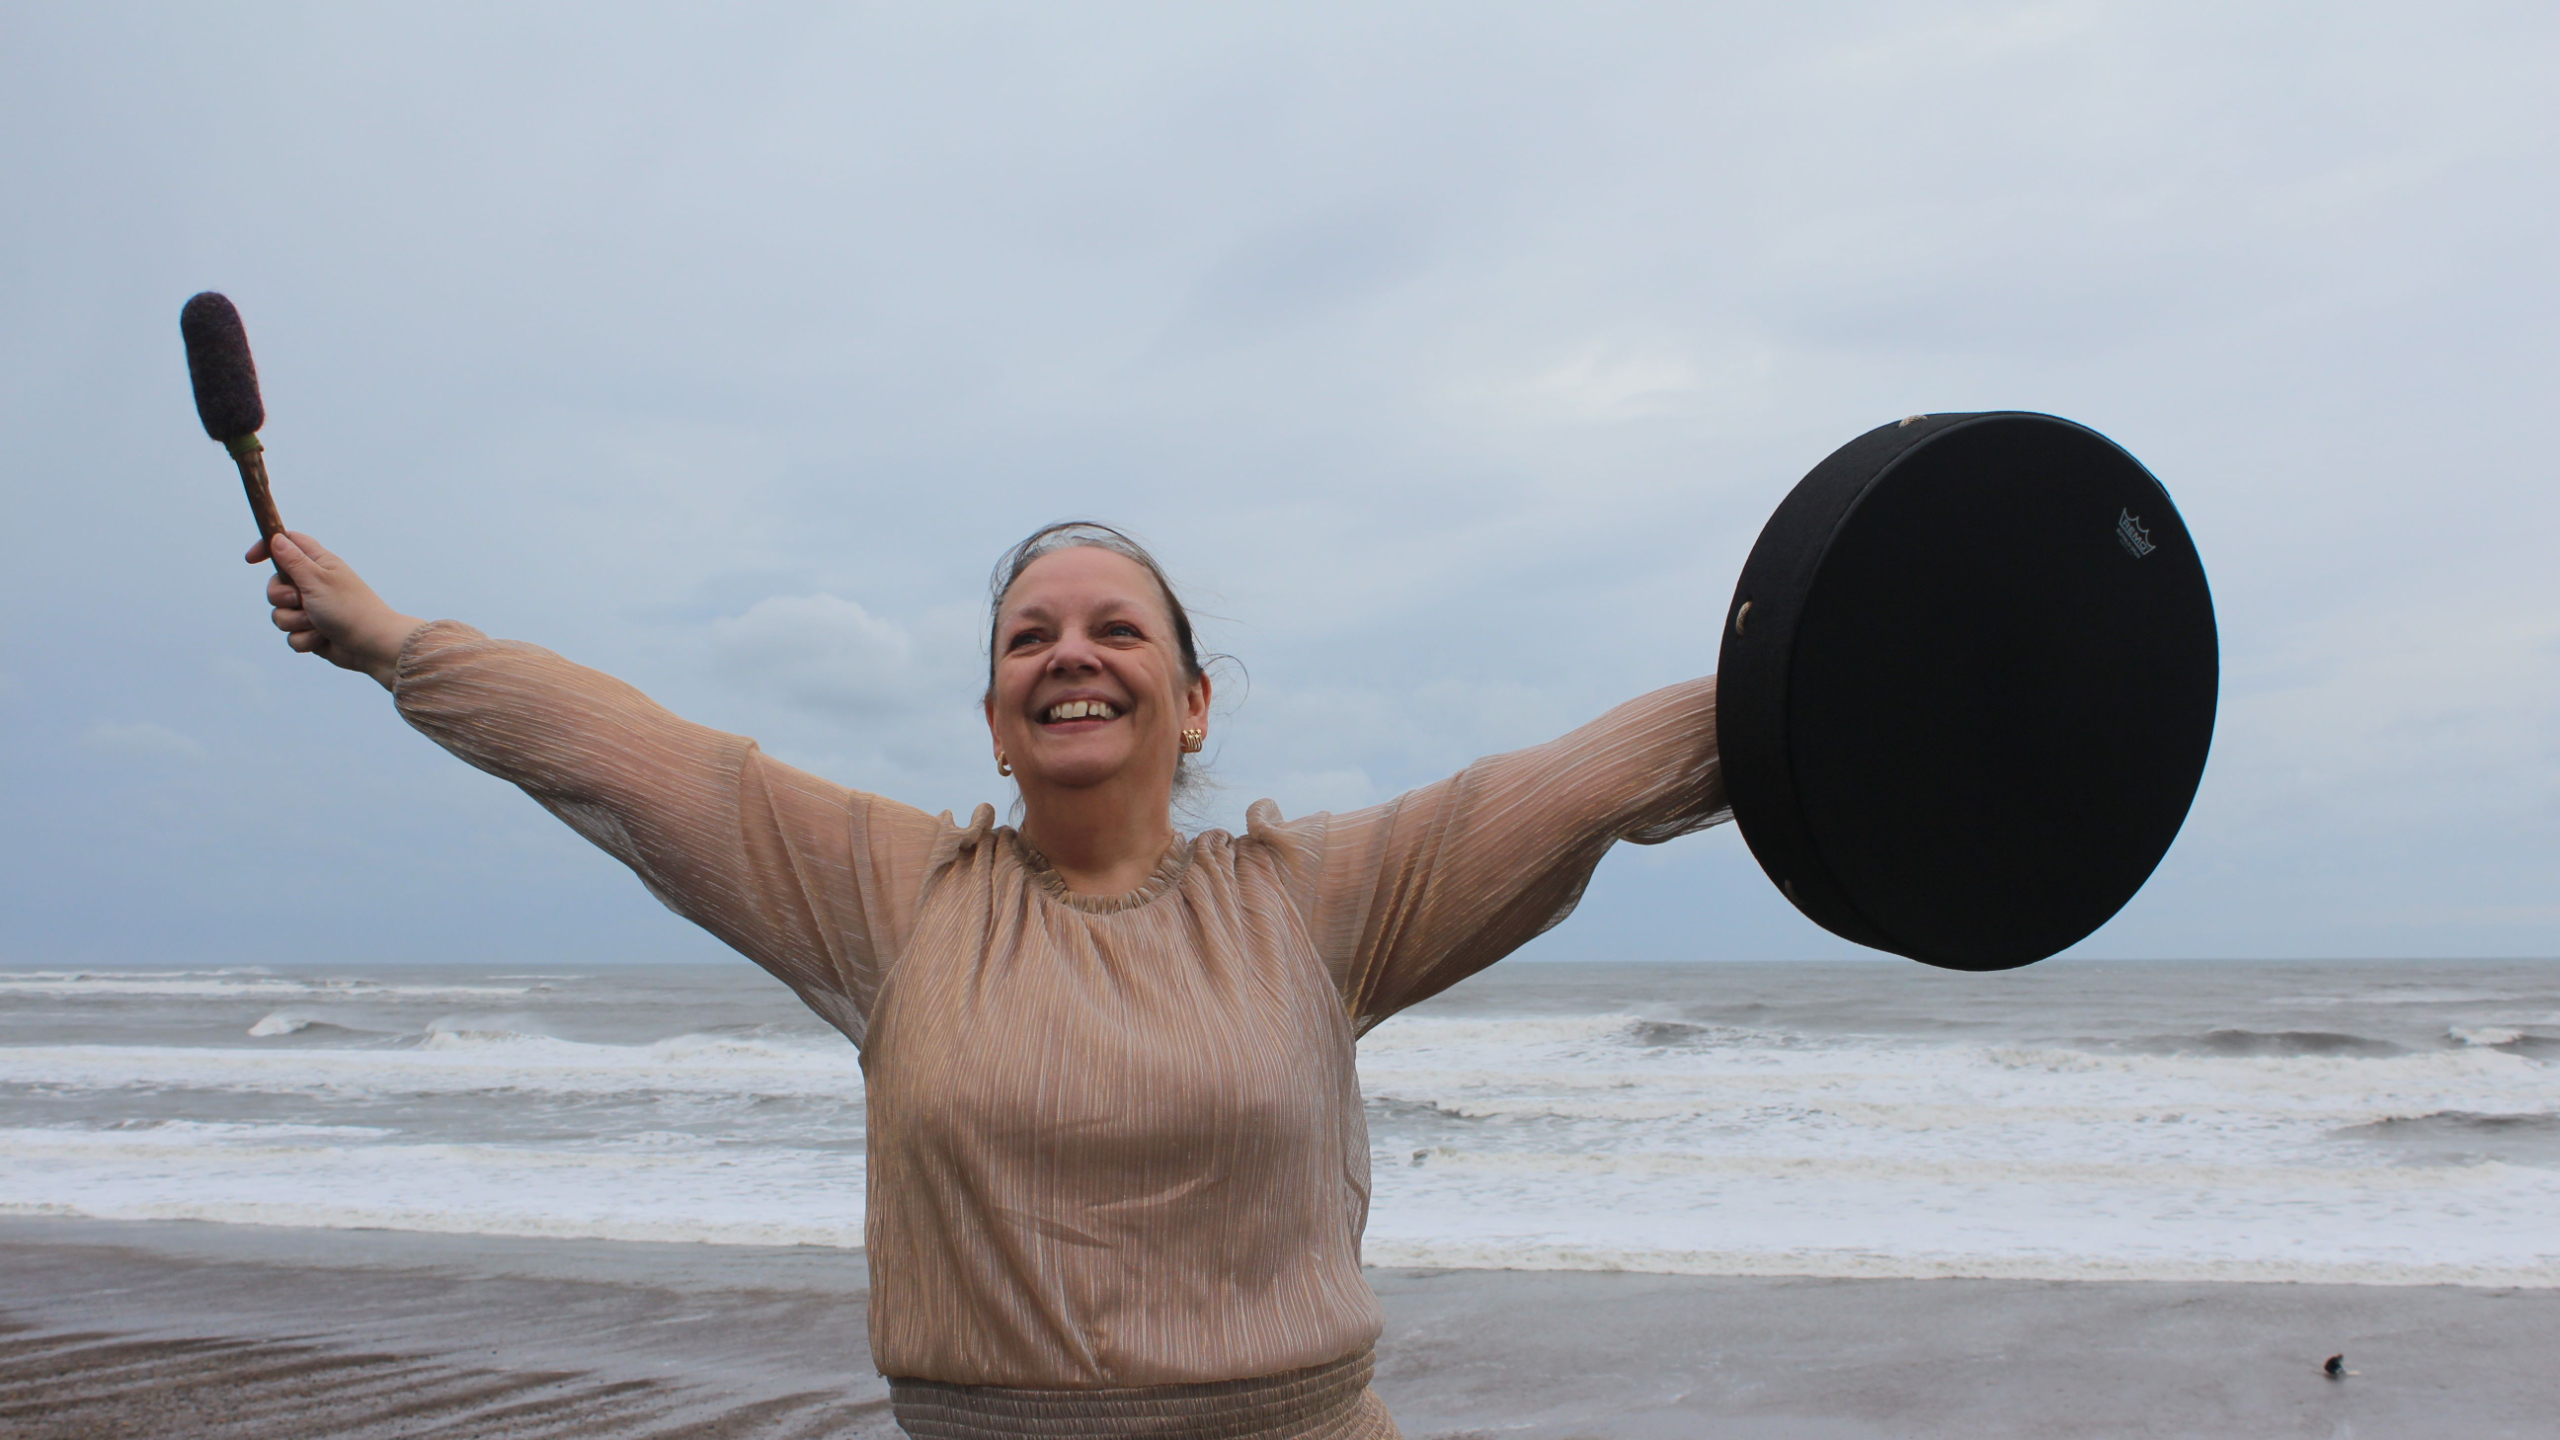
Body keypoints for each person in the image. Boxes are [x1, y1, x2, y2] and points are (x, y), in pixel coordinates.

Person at [249, 519, 1730, 1440]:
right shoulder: (891, 899)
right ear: (994, 717)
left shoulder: (1313, 901)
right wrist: (398, 646)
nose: (1069, 655)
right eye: (1031, 636)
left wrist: (1825, 672)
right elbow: (637, 756)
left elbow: (1587, 779)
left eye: (1114, 628)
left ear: (1196, 700)